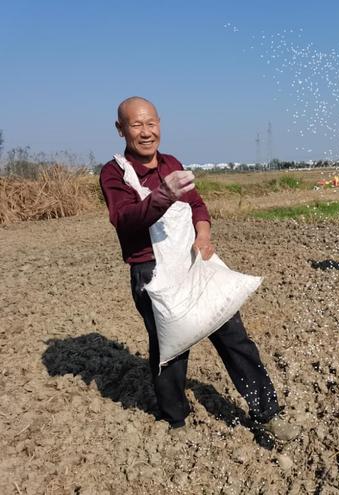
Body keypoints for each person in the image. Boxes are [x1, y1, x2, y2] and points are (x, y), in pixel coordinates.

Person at [99, 96, 299, 441]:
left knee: (235, 337)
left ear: (160, 124)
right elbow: (125, 220)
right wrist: (161, 194)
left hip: (193, 262)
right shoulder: (114, 173)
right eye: (136, 125)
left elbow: (196, 205)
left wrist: (203, 233)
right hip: (153, 273)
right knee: (171, 349)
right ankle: (175, 419)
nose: (146, 132)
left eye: (151, 123)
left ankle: (267, 412)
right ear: (121, 129)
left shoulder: (172, 162)